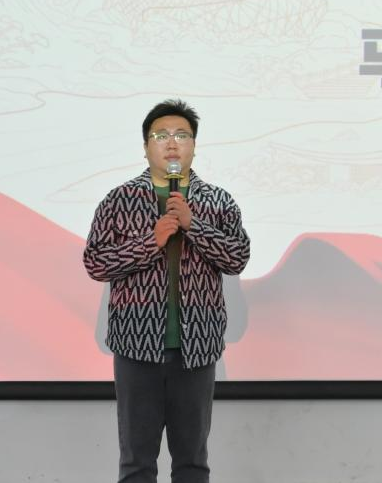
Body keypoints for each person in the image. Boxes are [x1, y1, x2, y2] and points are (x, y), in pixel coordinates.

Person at [84, 99, 250, 483]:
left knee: (192, 462)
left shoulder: (218, 201)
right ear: (145, 147)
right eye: (161, 136)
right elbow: (96, 263)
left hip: (198, 349)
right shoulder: (119, 200)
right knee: (137, 462)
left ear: (194, 146)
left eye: (182, 135)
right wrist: (151, 242)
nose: (172, 143)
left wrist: (194, 226)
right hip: (135, 347)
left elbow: (237, 258)